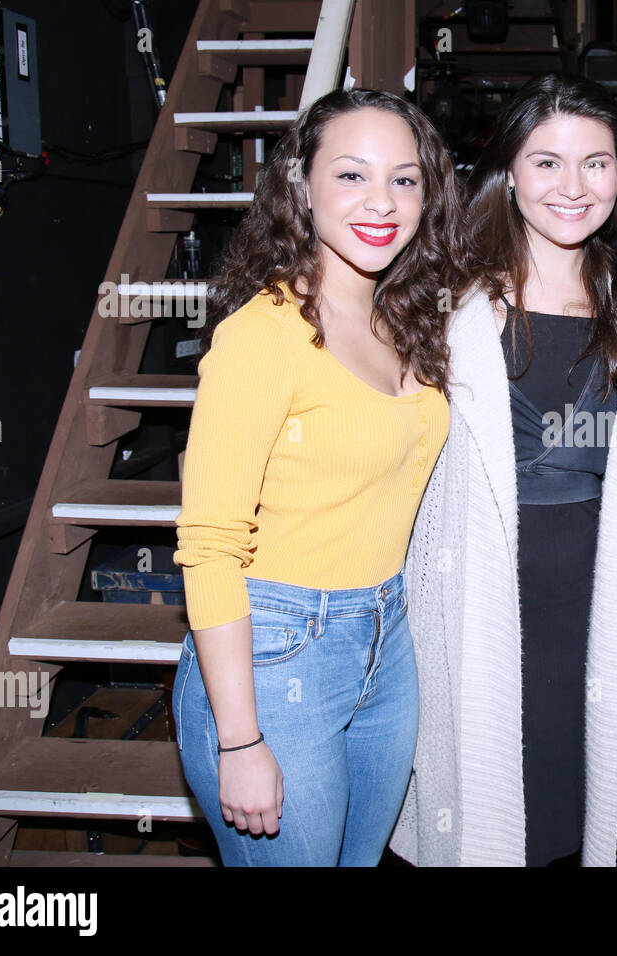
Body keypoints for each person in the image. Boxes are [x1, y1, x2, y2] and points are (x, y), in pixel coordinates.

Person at [172, 89, 464, 866]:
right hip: (273, 653)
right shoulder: (262, 337)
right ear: (300, 184)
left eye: (405, 179)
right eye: (351, 175)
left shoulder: (404, 318)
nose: (382, 202)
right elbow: (207, 547)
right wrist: (241, 740)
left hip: (385, 637)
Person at [390, 73, 617, 866]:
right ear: (508, 172)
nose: (573, 187)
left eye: (595, 163)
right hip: (482, 595)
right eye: (547, 163)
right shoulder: (450, 301)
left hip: (591, 600)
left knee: (567, 803)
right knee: (482, 806)